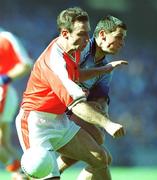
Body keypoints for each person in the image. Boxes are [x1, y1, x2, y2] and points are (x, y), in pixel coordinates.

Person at [15, 7, 125, 180]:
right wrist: (108, 124)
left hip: (60, 120)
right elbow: (77, 104)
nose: (87, 38)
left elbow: (77, 75)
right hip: (36, 123)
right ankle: (25, 175)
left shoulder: (73, 49)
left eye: (88, 32)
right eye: (82, 34)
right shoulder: (55, 62)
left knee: (100, 158)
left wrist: (104, 69)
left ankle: (26, 175)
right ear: (65, 33)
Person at [57, 15, 128, 175]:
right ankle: (49, 173)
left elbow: (100, 97)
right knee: (99, 148)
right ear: (102, 34)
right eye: (118, 37)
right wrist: (106, 123)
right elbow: (71, 75)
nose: (122, 43)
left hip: (72, 109)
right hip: (55, 108)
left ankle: (49, 174)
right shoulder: (80, 49)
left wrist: (101, 108)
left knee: (101, 152)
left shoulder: (105, 67)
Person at [0, 28, 32, 177]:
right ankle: (25, 172)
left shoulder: (5, 37)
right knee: (3, 143)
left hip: (3, 93)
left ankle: (19, 171)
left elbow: (25, 64)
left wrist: (2, 79)